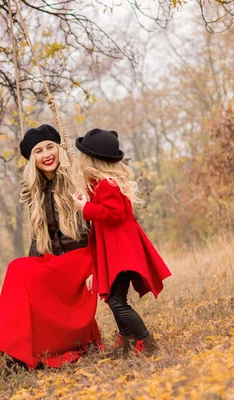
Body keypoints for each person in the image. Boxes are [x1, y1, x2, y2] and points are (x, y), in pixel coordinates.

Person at [0, 124, 100, 374]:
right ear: (31, 159)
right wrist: (29, 277)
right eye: (38, 150)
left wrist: (100, 268)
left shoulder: (77, 181)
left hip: (83, 261)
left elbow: (99, 227)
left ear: (58, 149)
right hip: (58, 263)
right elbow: (38, 241)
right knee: (19, 268)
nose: (46, 154)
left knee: (21, 271)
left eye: (50, 147)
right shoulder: (36, 191)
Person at [72, 128, 171, 357]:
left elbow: (114, 213)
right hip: (118, 251)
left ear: (93, 161)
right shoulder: (103, 184)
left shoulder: (108, 184)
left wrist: (85, 208)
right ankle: (126, 344)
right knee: (115, 299)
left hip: (121, 252)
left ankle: (146, 341)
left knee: (116, 301)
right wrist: (86, 200)